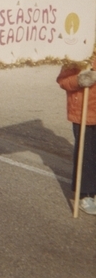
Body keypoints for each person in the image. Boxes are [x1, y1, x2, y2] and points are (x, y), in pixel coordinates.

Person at [57, 58, 96, 215]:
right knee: (86, 154)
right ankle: (85, 194)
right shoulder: (77, 54)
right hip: (83, 113)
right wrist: (81, 79)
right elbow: (63, 81)